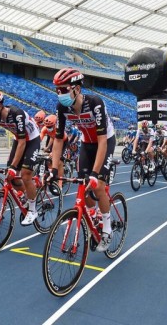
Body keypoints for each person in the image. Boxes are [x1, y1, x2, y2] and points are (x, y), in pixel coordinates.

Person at [48, 67, 116, 252]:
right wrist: (54, 169)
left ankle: (107, 228)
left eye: (63, 89)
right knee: (83, 187)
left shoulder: (95, 102)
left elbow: (102, 140)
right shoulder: (62, 107)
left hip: (105, 141)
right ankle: (93, 214)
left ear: (76, 89)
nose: (59, 94)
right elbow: (58, 140)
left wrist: (95, 174)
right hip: (87, 144)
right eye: (57, 90)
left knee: (98, 185)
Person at [0, 90, 41, 225]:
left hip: (32, 139)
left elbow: (23, 141)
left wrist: (14, 166)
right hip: (18, 139)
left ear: (0, 105)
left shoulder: (16, 114)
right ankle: (27, 195)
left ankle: (32, 210)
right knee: (10, 177)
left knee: (25, 175)